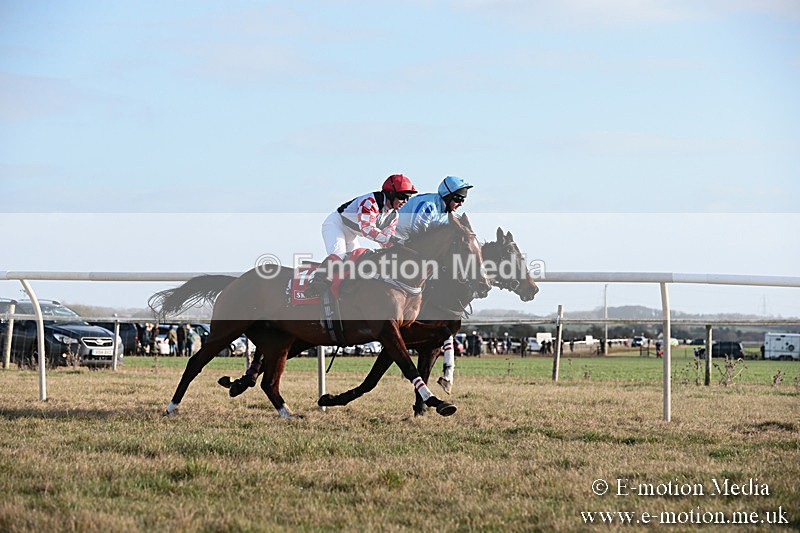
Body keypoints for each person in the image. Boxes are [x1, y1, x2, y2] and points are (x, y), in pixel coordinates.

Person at [394, 176, 474, 395]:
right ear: (447, 196)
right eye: (458, 198)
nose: (460, 203)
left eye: (463, 200)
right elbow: (418, 240)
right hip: (396, 239)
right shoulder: (429, 206)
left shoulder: (447, 213)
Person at [304, 174, 418, 297]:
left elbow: (387, 242)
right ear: (390, 193)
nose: (405, 201)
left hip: (352, 234)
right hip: (336, 225)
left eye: (408, 198)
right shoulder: (370, 201)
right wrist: (392, 240)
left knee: (356, 262)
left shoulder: (394, 216)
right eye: (402, 196)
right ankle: (315, 282)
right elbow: (367, 229)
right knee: (339, 255)